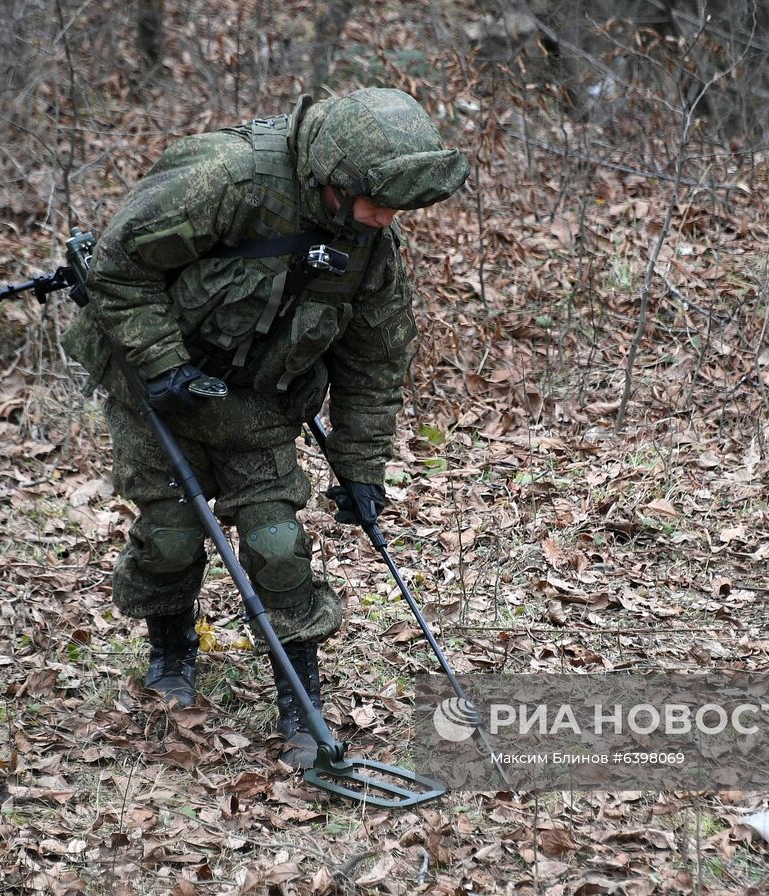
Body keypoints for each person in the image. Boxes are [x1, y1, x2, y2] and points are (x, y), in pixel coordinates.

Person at [62, 88, 469, 767]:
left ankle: (299, 696)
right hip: (157, 388)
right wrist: (163, 363)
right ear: (329, 178)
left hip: (258, 405)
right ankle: (170, 649)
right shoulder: (229, 180)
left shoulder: (369, 246)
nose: (385, 217)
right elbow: (119, 266)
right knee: (169, 536)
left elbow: (374, 360)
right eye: (374, 199)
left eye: (394, 204)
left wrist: (362, 467)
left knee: (278, 544)